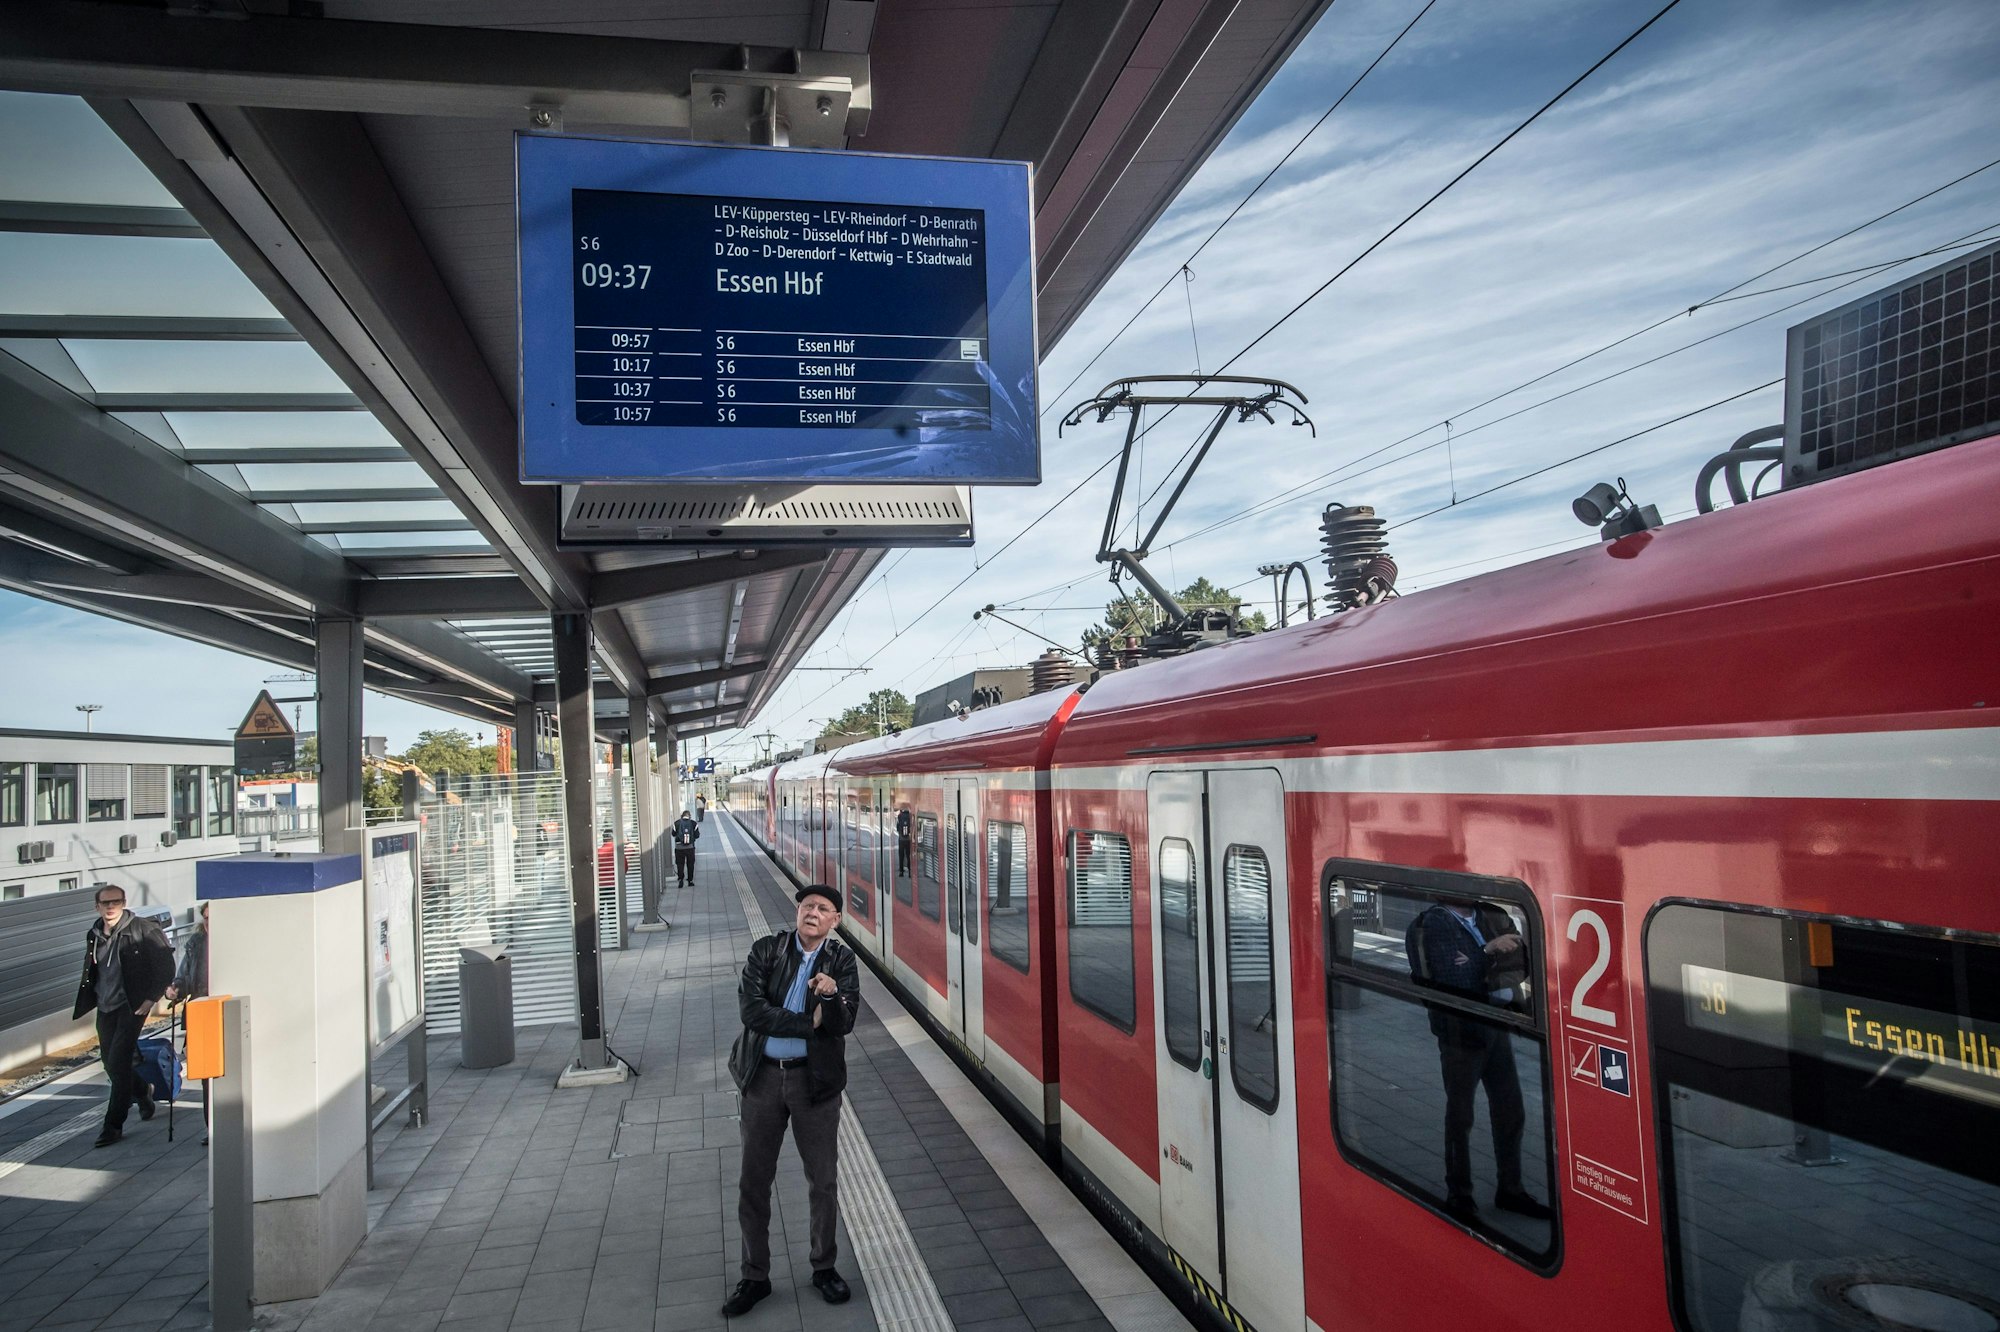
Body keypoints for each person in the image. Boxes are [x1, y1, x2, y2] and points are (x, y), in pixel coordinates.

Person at [722, 884, 861, 1317]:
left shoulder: (841, 961)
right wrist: (807, 1020)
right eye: (807, 906)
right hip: (761, 1080)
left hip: (814, 1085)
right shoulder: (767, 950)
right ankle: (755, 1276)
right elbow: (752, 1010)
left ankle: (824, 1267)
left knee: (822, 1181)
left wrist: (829, 996)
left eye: (823, 909)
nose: (813, 913)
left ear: (835, 921)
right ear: (797, 912)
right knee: (753, 1181)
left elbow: (842, 1024)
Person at [1405, 897, 1552, 1224]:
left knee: (1510, 1108)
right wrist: (1490, 951)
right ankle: (1459, 1195)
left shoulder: (1490, 915)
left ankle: (1510, 1190)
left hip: (1496, 1026)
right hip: (1459, 1035)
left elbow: (1524, 961)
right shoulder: (1433, 924)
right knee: (1461, 1116)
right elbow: (1449, 978)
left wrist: (1476, 959)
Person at [72, 884, 175, 1148]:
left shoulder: (143, 929)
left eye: (116, 902)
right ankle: (143, 1091)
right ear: (97, 906)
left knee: (118, 1063)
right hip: (105, 1005)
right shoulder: (94, 933)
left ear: (124, 903)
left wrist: (152, 997)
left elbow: (166, 964)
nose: (110, 907)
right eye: (105, 903)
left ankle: (112, 1126)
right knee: (109, 1062)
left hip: (132, 1005)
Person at [164, 901, 211, 1141]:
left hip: (228, 1012)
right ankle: (211, 1127)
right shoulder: (195, 944)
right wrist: (175, 990)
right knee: (206, 1075)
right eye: (205, 918)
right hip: (201, 1014)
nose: (208, 922)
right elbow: (183, 976)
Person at [672, 809, 700, 886]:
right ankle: (690, 881)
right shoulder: (694, 823)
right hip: (690, 848)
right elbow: (697, 835)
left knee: (680, 864)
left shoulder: (676, 823)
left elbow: (673, 834)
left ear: (682, 816)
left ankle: (681, 879)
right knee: (690, 864)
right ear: (689, 816)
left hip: (679, 848)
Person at [895, 805, 912, 878]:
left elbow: (898, 828)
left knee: (901, 856)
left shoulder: (899, 816)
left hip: (901, 839)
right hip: (908, 839)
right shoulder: (910, 816)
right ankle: (910, 872)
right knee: (908, 856)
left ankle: (901, 872)